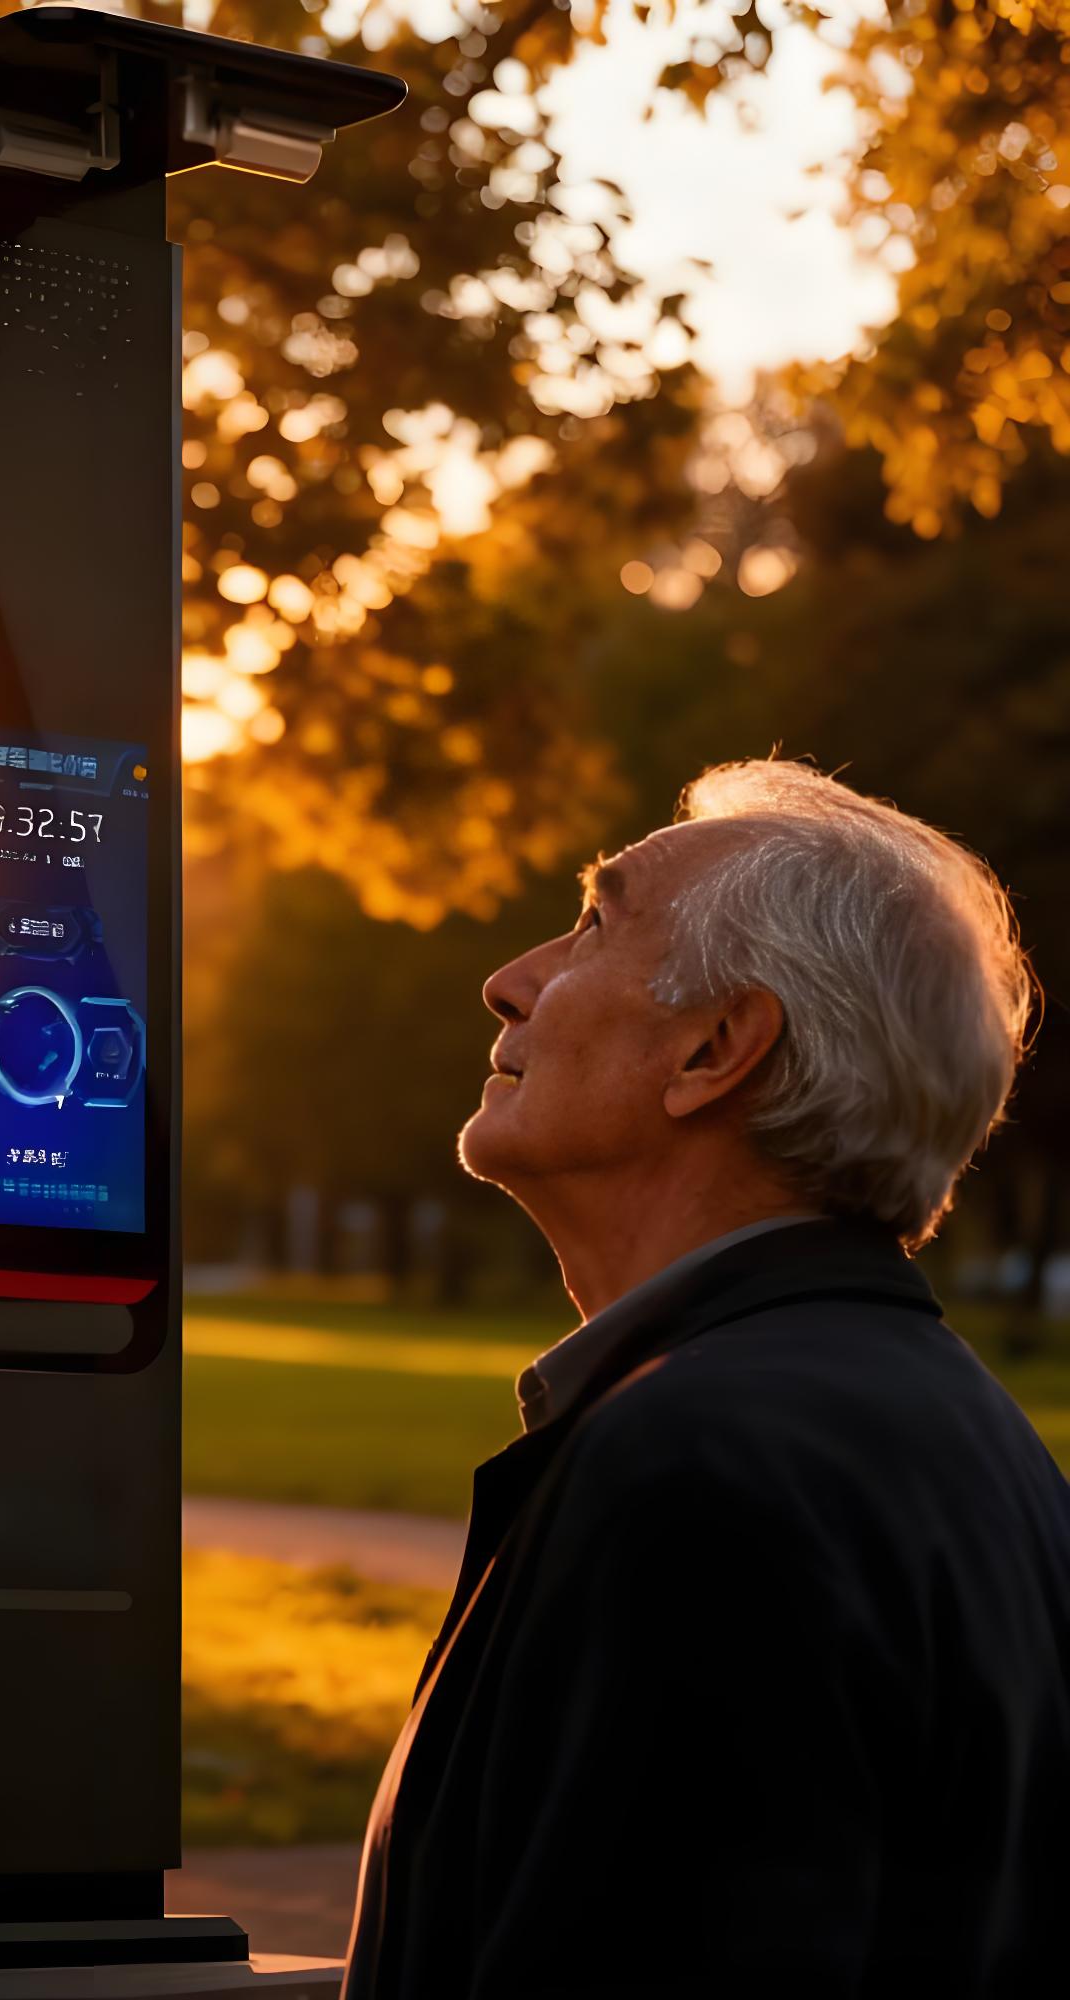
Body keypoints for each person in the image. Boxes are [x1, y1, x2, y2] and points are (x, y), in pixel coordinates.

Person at [342, 760, 1070, 1996]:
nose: (506, 980)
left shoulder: (696, 1460)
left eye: (591, 923)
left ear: (714, 1048)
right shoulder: (972, 1439)